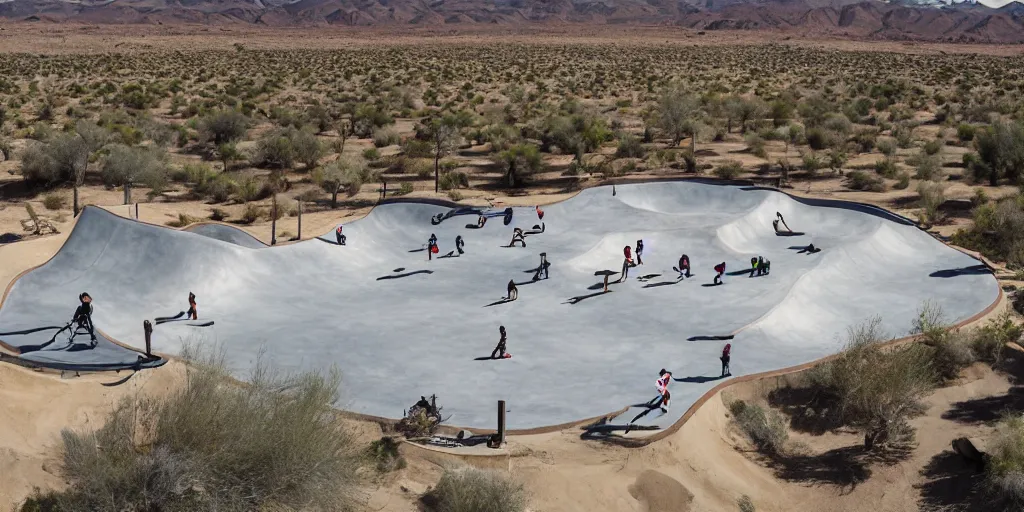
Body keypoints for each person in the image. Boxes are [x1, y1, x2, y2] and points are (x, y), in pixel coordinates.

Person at [625, 369, 673, 433]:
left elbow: (668, 375)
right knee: (648, 410)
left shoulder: (662, 380)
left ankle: (631, 422)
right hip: (661, 399)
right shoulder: (663, 380)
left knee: (648, 410)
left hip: (661, 398)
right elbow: (668, 375)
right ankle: (631, 423)